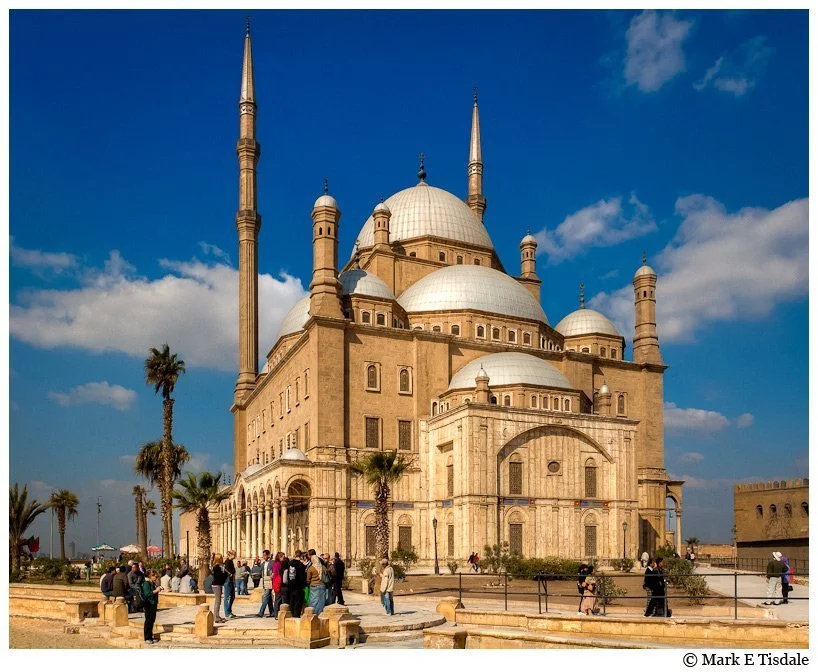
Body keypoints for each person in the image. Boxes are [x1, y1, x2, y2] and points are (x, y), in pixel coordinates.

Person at [141, 570, 162, 644]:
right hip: (149, 604)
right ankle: (147, 637)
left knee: (152, 620)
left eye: (156, 575)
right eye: (154, 575)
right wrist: (156, 591)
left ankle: (150, 636)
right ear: (149, 576)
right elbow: (147, 594)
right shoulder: (146, 583)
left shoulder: (152, 583)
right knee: (148, 621)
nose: (155, 576)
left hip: (153, 603)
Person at [286, 550, 307, 617]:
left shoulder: (289, 564)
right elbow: (302, 578)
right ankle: (296, 616)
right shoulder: (301, 565)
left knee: (291, 603)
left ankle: (291, 616)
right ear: (301, 556)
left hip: (290, 587)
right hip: (298, 588)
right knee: (298, 604)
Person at [306, 550, 327, 615]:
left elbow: (308, 579)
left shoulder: (311, 568)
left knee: (313, 601)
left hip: (314, 586)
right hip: (322, 585)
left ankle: (313, 613)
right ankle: (320, 613)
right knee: (321, 601)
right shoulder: (323, 567)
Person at [257, 550, 275, 618]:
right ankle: (272, 612)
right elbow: (260, 570)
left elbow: (274, 571)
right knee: (269, 597)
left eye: (265, 555)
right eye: (263, 555)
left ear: (268, 555)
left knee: (266, 596)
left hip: (270, 581)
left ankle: (261, 612)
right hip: (265, 581)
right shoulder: (264, 563)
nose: (263, 557)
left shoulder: (272, 562)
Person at [211, 554, 228, 623]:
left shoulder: (216, 567)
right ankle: (216, 618)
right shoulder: (217, 567)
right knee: (217, 602)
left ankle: (217, 616)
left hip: (217, 585)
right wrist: (225, 574)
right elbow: (219, 577)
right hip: (217, 585)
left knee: (218, 601)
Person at [224, 550, 237, 618]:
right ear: (230, 555)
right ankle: (227, 612)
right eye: (234, 554)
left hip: (231, 581)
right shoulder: (226, 562)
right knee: (227, 597)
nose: (235, 556)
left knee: (232, 596)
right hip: (227, 581)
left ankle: (229, 610)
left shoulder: (231, 562)